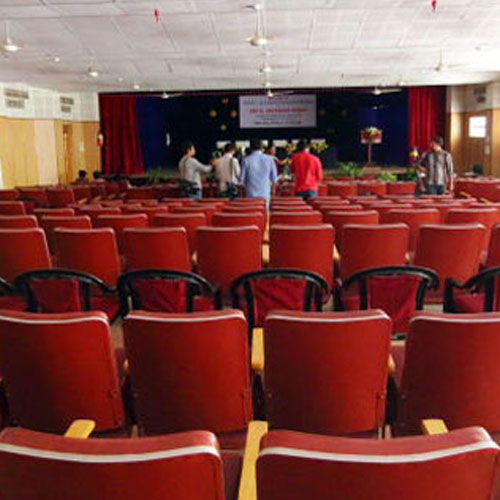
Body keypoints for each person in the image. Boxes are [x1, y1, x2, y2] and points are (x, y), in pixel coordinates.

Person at [240, 139, 278, 203]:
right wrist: (273, 192)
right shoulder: (270, 159)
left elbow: (241, 181)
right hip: (265, 194)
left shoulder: (246, 160)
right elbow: (274, 179)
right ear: (261, 147)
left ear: (251, 147)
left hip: (250, 195)